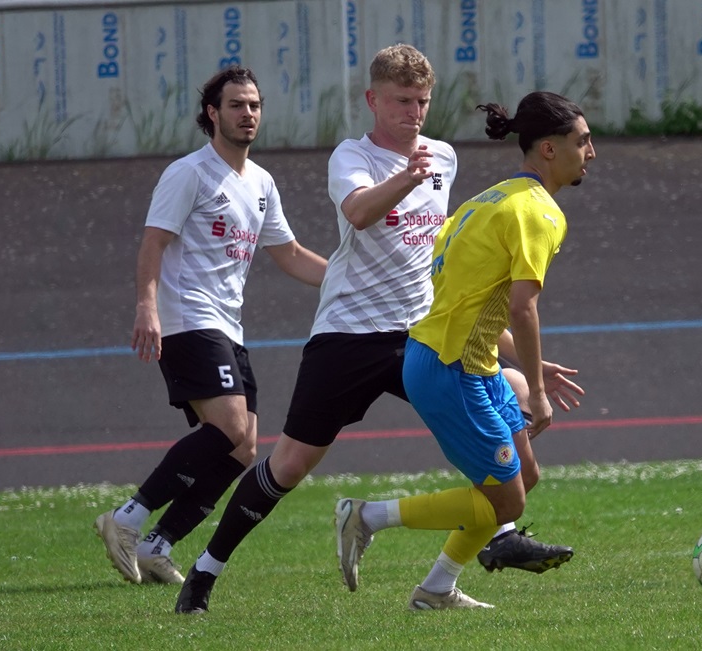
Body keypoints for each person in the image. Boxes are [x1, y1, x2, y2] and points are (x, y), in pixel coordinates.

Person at [175, 45, 579, 613]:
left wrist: (522, 358)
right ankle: (205, 571)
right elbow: (360, 212)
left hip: (421, 335)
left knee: (510, 396)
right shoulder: (353, 156)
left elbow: (457, 283)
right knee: (289, 465)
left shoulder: (442, 157)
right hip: (349, 335)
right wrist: (408, 179)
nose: (413, 113)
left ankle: (467, 560)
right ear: (373, 100)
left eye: (422, 102)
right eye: (400, 101)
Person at [334, 90, 596, 610]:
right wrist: (537, 391)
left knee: (524, 477)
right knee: (507, 501)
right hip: (449, 367)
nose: (591, 151)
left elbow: (472, 301)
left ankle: (435, 590)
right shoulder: (538, 212)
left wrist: (527, 364)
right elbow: (522, 307)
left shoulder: (487, 200)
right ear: (549, 148)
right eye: (582, 141)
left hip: (464, 360)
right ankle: (366, 516)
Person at [93, 65, 326, 585]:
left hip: (228, 325)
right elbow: (153, 242)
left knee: (243, 448)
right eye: (237, 105)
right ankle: (127, 518)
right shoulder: (189, 173)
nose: (248, 114)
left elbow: (289, 253)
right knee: (230, 428)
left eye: (255, 105)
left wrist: (352, 281)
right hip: (188, 317)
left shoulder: (261, 182)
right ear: (212, 113)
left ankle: (158, 545)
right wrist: (146, 307)